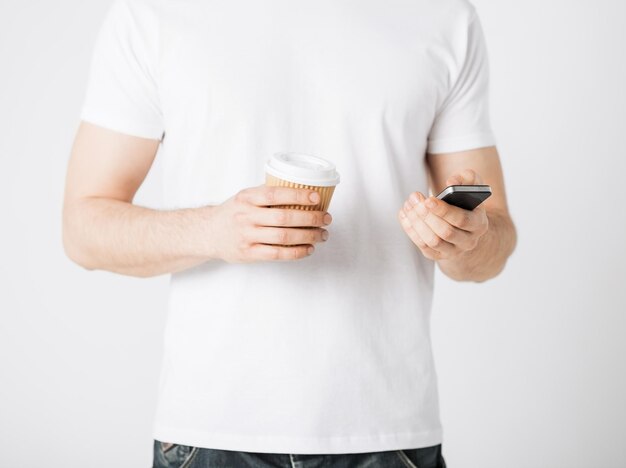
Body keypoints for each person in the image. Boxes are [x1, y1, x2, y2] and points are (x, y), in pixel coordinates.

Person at [62, 0, 516, 466]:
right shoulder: (152, 13)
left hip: (386, 434)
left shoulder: (442, 16)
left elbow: (494, 233)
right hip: (211, 432)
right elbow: (83, 228)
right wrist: (212, 230)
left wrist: (465, 238)